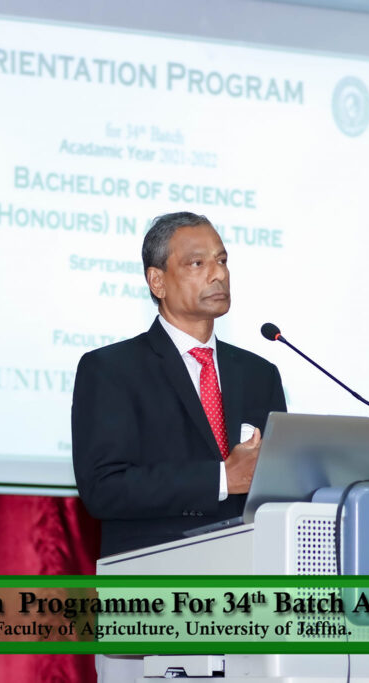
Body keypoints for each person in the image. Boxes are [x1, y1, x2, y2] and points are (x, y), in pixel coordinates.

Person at [71, 211, 287, 557]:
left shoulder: (260, 374)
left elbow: (277, 486)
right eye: (197, 263)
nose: (219, 274)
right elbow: (104, 489)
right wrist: (222, 478)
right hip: (154, 572)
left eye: (222, 260)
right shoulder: (111, 369)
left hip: (247, 570)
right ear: (157, 281)